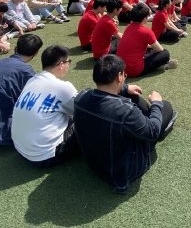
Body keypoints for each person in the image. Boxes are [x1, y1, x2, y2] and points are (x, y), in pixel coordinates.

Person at [74, 55, 178, 193]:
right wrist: (156, 103)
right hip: (123, 172)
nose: (125, 77)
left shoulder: (82, 95)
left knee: (135, 98)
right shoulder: (125, 111)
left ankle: (149, 116)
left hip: (95, 162)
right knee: (166, 106)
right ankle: (159, 119)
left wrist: (125, 88)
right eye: (124, 75)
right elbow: (152, 132)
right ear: (119, 76)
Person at [11, 45, 79, 168]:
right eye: (68, 62)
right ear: (61, 65)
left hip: (21, 150)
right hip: (44, 156)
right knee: (87, 120)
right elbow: (84, 110)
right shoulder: (63, 87)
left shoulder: (31, 81)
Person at [117, 3, 178, 76]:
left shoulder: (128, 27)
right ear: (144, 18)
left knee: (151, 49)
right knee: (165, 53)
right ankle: (159, 65)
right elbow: (160, 50)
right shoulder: (146, 31)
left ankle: (157, 64)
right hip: (134, 70)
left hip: (121, 68)